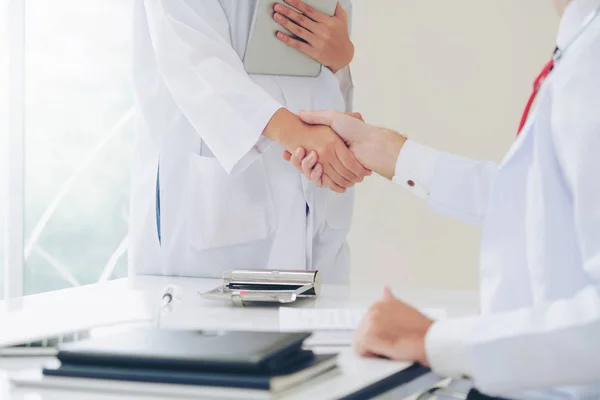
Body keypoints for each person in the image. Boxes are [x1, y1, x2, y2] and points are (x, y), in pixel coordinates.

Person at [285, 0, 600, 397]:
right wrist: (388, 151)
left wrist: (435, 340)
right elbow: (534, 201)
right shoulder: (582, 45)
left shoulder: (591, 66)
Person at [128, 0, 370, 283]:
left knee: (316, 317)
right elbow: (191, 57)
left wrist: (339, 58)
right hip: (222, 202)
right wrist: (299, 135)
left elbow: (320, 63)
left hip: (313, 195)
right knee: (211, 316)